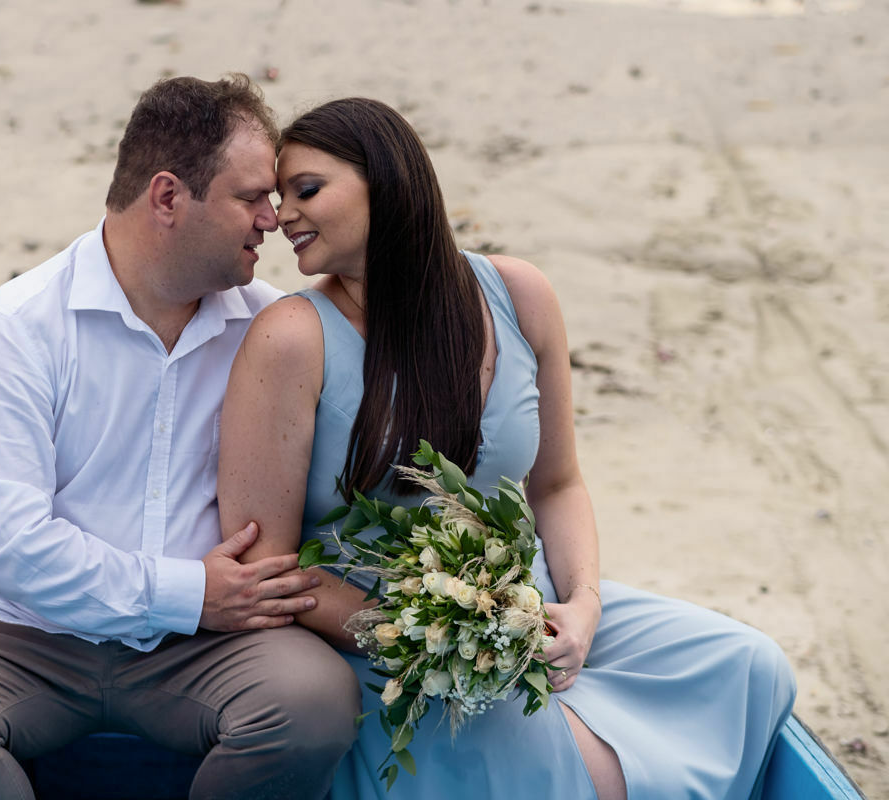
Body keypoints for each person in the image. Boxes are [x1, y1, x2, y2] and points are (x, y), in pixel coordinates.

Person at [218, 97, 796, 799]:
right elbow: (268, 565)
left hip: (530, 604)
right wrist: (431, 639)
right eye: (279, 199)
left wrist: (581, 609)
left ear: (391, 182)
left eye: (306, 190)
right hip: (387, 645)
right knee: (550, 756)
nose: (281, 216)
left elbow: (557, 485)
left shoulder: (518, 294)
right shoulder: (290, 338)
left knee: (751, 665)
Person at [0, 75, 361, 800]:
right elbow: (2, 543)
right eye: (251, 197)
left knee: (310, 703)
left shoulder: (274, 329)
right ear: (167, 198)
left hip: (212, 647)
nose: (273, 220)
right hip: (27, 635)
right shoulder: (17, 330)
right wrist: (186, 592)